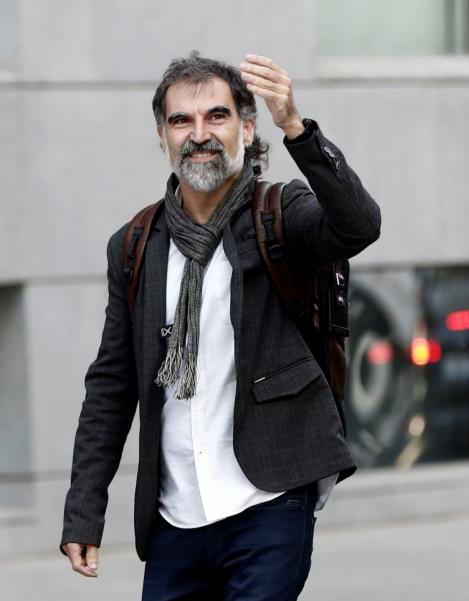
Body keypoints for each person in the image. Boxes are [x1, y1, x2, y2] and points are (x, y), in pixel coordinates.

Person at [59, 51, 380, 600]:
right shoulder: (136, 245)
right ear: (161, 134)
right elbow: (111, 384)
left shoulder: (280, 214)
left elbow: (358, 225)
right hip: (174, 517)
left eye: (217, 116)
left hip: (267, 500)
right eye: (182, 120)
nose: (199, 134)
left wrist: (298, 129)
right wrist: (84, 509)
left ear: (247, 128)